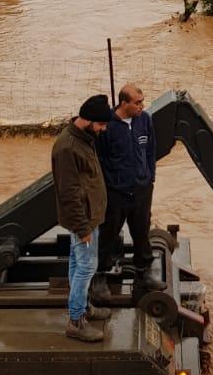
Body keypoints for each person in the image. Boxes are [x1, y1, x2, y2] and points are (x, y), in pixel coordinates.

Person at [51, 94, 112, 342]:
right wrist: (83, 227)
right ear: (87, 121)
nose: (104, 129)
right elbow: (69, 193)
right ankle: (76, 321)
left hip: (90, 216)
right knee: (86, 266)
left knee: (78, 263)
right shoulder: (68, 148)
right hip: (83, 219)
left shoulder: (83, 138)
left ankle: (84, 308)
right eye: (101, 124)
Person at [97, 82, 157, 293]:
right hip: (116, 192)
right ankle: (100, 277)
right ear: (124, 103)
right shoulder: (108, 126)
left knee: (141, 231)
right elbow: (101, 158)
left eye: (142, 102)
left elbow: (150, 151)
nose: (142, 106)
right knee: (108, 232)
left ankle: (143, 273)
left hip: (141, 189)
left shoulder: (145, 120)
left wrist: (150, 178)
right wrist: (109, 184)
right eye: (137, 103)